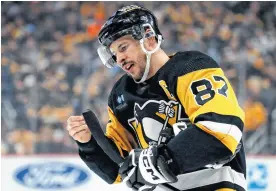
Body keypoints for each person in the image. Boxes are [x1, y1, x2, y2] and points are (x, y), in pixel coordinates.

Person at [66, 5, 246, 191]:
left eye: (123, 47)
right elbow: (120, 171)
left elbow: (222, 130)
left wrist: (161, 159)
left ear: (149, 39)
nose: (119, 59)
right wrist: (88, 144)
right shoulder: (122, 95)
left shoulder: (191, 68)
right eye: (114, 54)